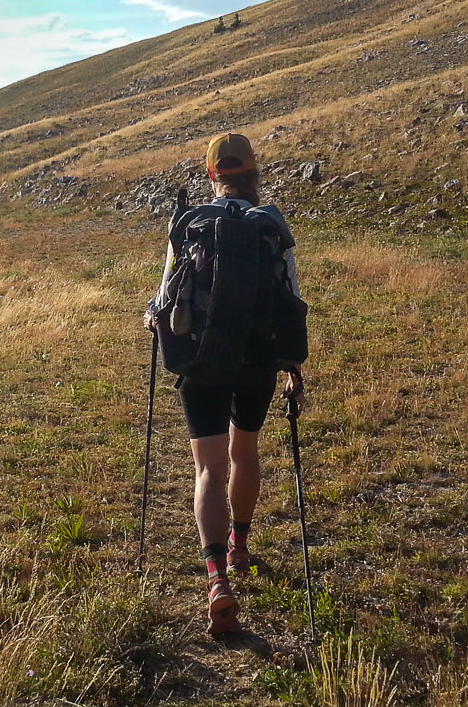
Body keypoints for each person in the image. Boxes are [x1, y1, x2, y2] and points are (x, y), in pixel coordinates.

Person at [143, 132, 306, 635]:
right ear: (254, 173)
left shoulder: (188, 224)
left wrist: (153, 319)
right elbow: (291, 299)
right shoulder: (270, 225)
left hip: (201, 366)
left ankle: (215, 578)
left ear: (211, 175)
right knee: (245, 455)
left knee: (209, 468)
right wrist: (294, 368)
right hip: (256, 361)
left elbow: (162, 301)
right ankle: (239, 545)